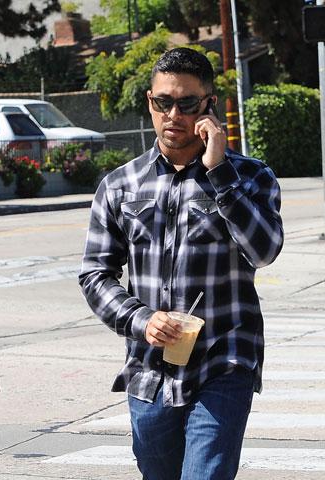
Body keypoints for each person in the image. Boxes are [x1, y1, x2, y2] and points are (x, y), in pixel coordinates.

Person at [79, 47, 284, 480]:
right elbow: (96, 273)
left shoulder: (251, 177)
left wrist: (219, 174)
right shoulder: (119, 185)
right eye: (162, 102)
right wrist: (141, 319)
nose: (173, 114)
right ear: (150, 103)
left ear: (208, 106)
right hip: (150, 368)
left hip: (225, 358)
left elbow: (264, 251)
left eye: (186, 103)